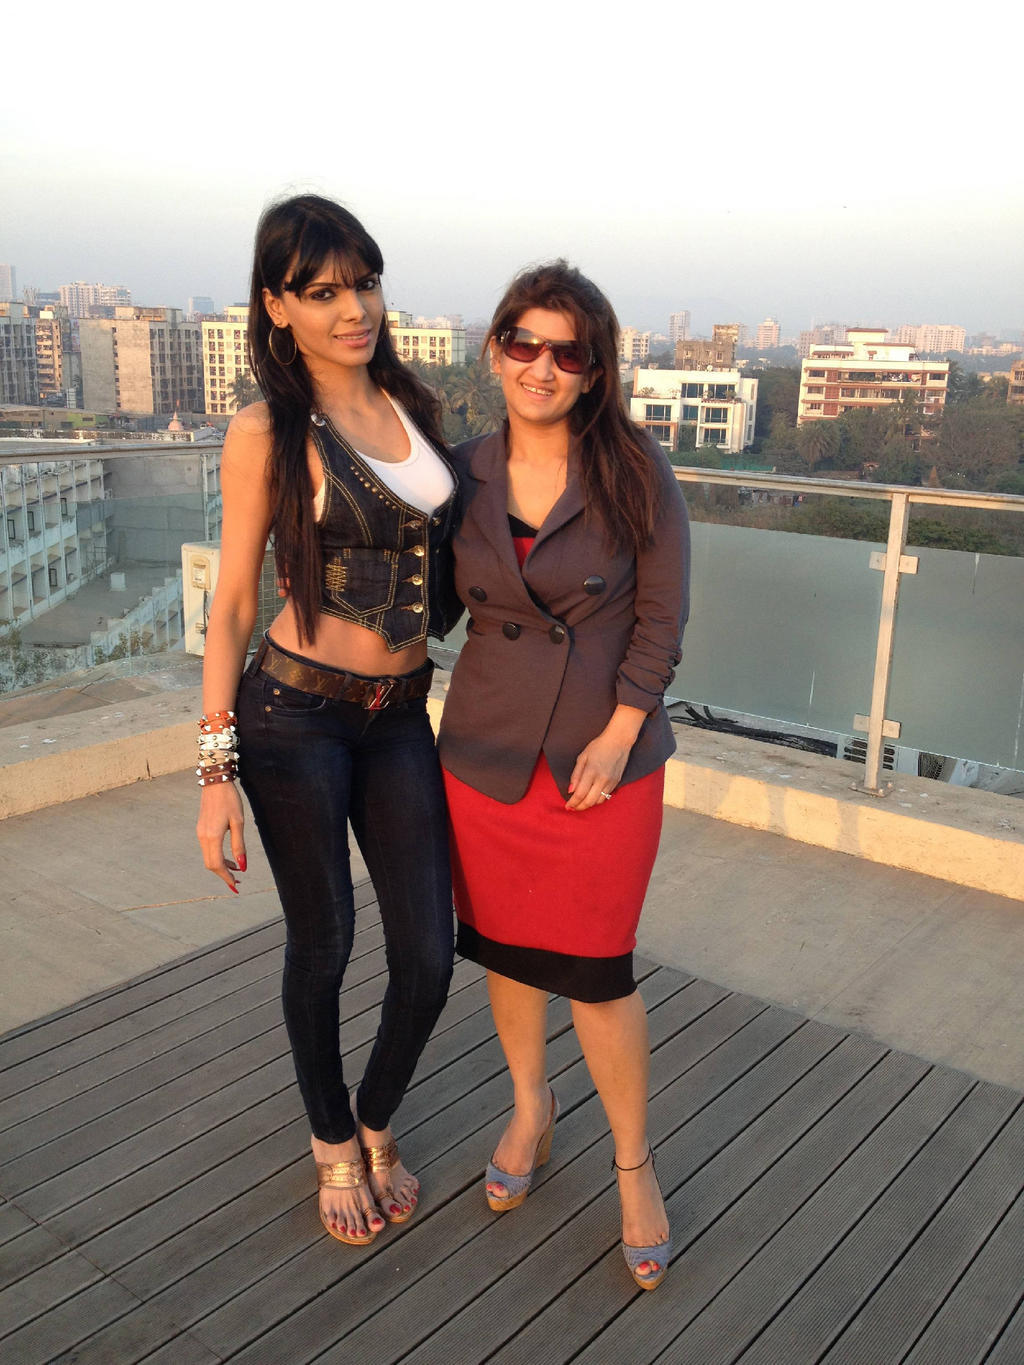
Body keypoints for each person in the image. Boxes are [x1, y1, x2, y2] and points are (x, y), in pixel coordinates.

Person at [196, 195, 460, 1247]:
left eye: (365, 283)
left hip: (400, 715)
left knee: (428, 953)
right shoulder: (266, 430)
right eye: (323, 291)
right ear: (277, 306)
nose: (354, 309)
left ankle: (376, 1115)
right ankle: (331, 1140)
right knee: (326, 941)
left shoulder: (415, 406)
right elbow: (231, 604)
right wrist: (215, 770)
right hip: (294, 715)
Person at [438, 261, 689, 1291]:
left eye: (566, 351)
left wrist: (623, 729)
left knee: (596, 970)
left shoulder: (634, 469)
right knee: (506, 951)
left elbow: (662, 617)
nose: (540, 366)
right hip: (485, 754)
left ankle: (633, 1163)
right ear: (496, 350)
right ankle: (531, 1107)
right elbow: (421, 602)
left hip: (600, 762)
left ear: (594, 369)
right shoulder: (458, 472)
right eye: (523, 343)